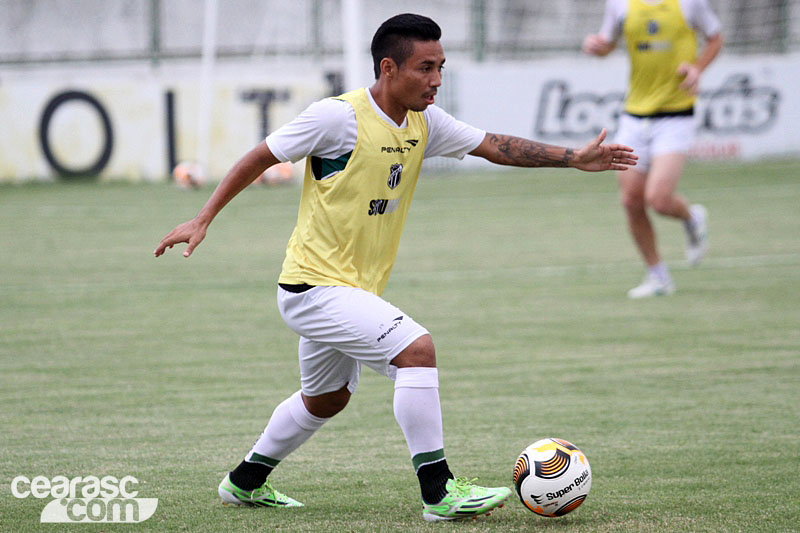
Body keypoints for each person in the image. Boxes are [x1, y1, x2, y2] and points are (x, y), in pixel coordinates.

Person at [155, 13, 636, 522]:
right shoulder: (336, 117)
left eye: (441, 67)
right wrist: (203, 216)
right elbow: (261, 156)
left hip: (350, 290)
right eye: (425, 68)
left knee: (327, 399)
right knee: (416, 349)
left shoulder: (424, 123)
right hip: (313, 286)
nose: (436, 80)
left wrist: (572, 158)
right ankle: (439, 492)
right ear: (388, 67)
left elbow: (494, 146)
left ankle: (244, 482)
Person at [583, 0, 723, 298]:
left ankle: (691, 219)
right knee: (632, 201)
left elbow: (716, 37)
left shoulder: (689, 3)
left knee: (658, 199)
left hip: (676, 116)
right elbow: (609, 43)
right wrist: (598, 46)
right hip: (634, 116)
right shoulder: (619, 5)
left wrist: (698, 68)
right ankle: (658, 276)